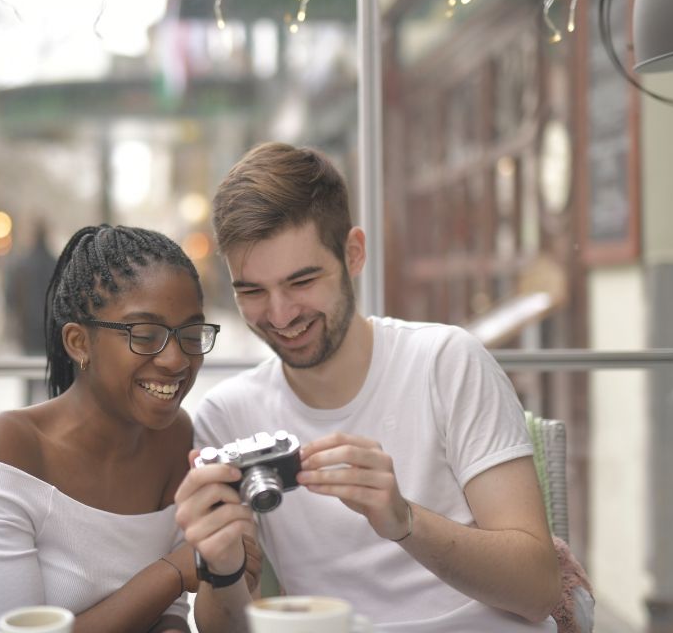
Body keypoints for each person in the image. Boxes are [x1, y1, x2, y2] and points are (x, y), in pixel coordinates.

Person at [174, 143, 562, 632]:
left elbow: (540, 590)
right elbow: (228, 627)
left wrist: (404, 521)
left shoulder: (445, 362)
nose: (280, 314)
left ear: (353, 253)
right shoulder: (228, 416)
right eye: (251, 290)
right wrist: (221, 564)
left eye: (302, 281)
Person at [0, 224, 258, 633]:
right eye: (145, 334)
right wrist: (173, 572)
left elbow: (166, 616)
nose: (176, 360)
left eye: (190, 334)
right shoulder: (2, 447)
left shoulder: (176, 439)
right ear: (79, 343)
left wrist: (222, 570)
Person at [4, 220, 58, 405]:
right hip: (51, 330)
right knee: (51, 379)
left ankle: (27, 417)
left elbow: (9, 298)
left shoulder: (20, 265)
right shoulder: (56, 263)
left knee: (27, 379)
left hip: (27, 329)